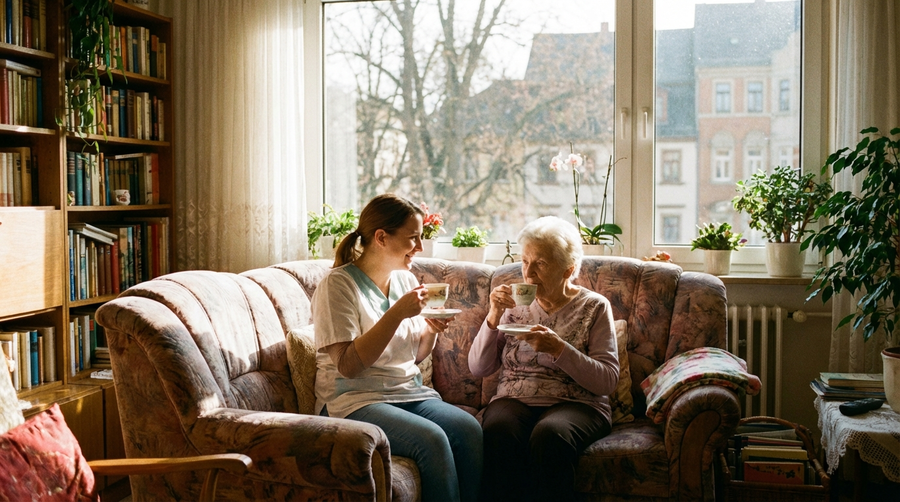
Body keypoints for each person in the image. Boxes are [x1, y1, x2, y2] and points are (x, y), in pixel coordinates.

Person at [312, 193, 482, 502]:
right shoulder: (337, 286)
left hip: (405, 392)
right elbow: (348, 366)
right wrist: (396, 314)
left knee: (468, 429)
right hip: (352, 400)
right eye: (413, 238)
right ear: (381, 237)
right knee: (431, 440)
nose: (419, 247)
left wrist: (430, 329)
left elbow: (413, 356)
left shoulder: (404, 280)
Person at [468, 216, 619, 502]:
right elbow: (479, 367)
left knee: (550, 435)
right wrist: (492, 316)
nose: (529, 274)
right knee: (498, 429)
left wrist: (559, 348)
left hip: (578, 404)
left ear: (568, 270)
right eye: (525, 262)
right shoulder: (513, 306)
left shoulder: (595, 307)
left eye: (541, 264)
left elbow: (607, 381)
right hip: (514, 399)